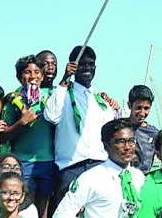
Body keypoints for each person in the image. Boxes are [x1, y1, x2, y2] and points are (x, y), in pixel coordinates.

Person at [44, 45, 121, 194]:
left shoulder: (102, 103)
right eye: (82, 64)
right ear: (73, 66)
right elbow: (51, 116)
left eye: (90, 64)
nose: (87, 68)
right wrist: (65, 78)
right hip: (71, 169)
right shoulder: (61, 95)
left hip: (100, 167)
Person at [1, 56, 55, 218]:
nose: (33, 76)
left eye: (37, 72)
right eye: (27, 72)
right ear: (19, 76)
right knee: (23, 207)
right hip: (23, 161)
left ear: (43, 76)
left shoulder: (51, 96)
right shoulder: (13, 100)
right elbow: (4, 136)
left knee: (43, 210)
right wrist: (22, 123)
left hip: (47, 160)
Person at [127, 84, 158, 174]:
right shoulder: (120, 129)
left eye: (146, 108)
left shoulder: (154, 133)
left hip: (144, 180)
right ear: (130, 105)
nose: (142, 113)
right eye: (138, 108)